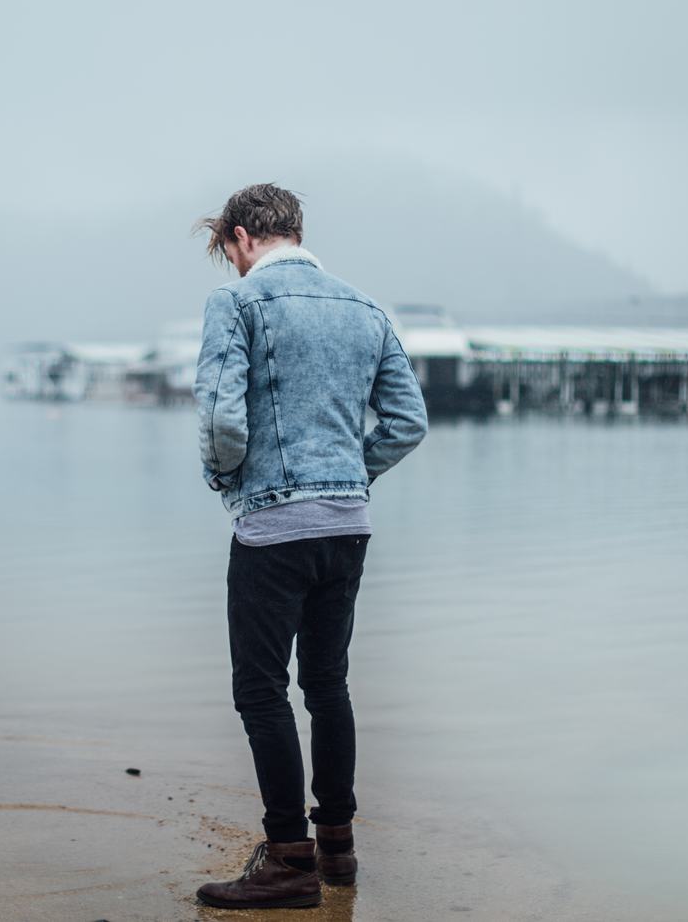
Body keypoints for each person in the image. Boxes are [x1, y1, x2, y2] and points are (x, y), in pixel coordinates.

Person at [191, 183, 428, 909]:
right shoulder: (365, 307)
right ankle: (339, 851)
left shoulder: (236, 304)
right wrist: (350, 473)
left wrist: (227, 479)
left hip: (273, 525)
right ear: (295, 229)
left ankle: (288, 858)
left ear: (239, 237)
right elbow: (408, 420)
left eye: (225, 252)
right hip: (348, 526)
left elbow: (224, 419)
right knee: (328, 684)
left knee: (261, 690)